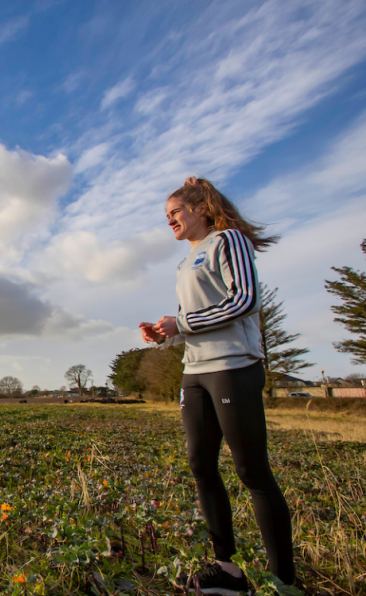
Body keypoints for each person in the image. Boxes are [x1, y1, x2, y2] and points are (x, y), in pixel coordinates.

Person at [139, 177, 294, 593]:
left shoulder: (228, 241)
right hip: (195, 371)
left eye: (175, 212)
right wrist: (165, 333)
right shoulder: (183, 262)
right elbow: (192, 317)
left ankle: (283, 581)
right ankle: (228, 571)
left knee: (251, 471)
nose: (169, 220)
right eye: (166, 216)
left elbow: (244, 300)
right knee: (201, 466)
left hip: (232, 366)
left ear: (201, 209)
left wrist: (182, 323)